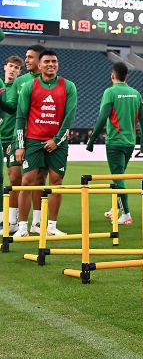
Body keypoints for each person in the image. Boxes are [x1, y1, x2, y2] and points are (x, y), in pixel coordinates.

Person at [13, 50, 77, 237]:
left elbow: (69, 117)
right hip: (33, 141)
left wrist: (56, 140)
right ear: (39, 66)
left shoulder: (69, 86)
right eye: (47, 61)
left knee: (56, 182)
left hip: (58, 142)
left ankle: (51, 226)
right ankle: (23, 227)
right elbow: (20, 116)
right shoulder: (29, 86)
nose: (51, 64)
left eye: (54, 61)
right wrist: (20, 145)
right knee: (27, 182)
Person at [86, 62, 143, 224]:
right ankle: (114, 209)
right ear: (127, 76)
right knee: (118, 176)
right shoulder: (135, 93)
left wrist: (92, 140)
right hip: (129, 143)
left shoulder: (110, 92)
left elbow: (102, 118)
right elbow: (142, 121)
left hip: (114, 142)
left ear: (112, 76)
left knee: (118, 178)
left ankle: (126, 214)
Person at [2, 46, 44, 234]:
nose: (26, 61)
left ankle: (36, 223)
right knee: (14, 178)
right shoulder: (20, 82)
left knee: (37, 179)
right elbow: (12, 108)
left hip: (38, 137)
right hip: (16, 137)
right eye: (24, 58)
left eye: (29, 58)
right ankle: (11, 221)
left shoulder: (49, 83)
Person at [0, 55, 23, 233]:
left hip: (11, 138)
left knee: (13, 178)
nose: (13, 70)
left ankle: (12, 219)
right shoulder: (1, 85)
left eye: (17, 68)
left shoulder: (19, 89)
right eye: (11, 66)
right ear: (5, 67)